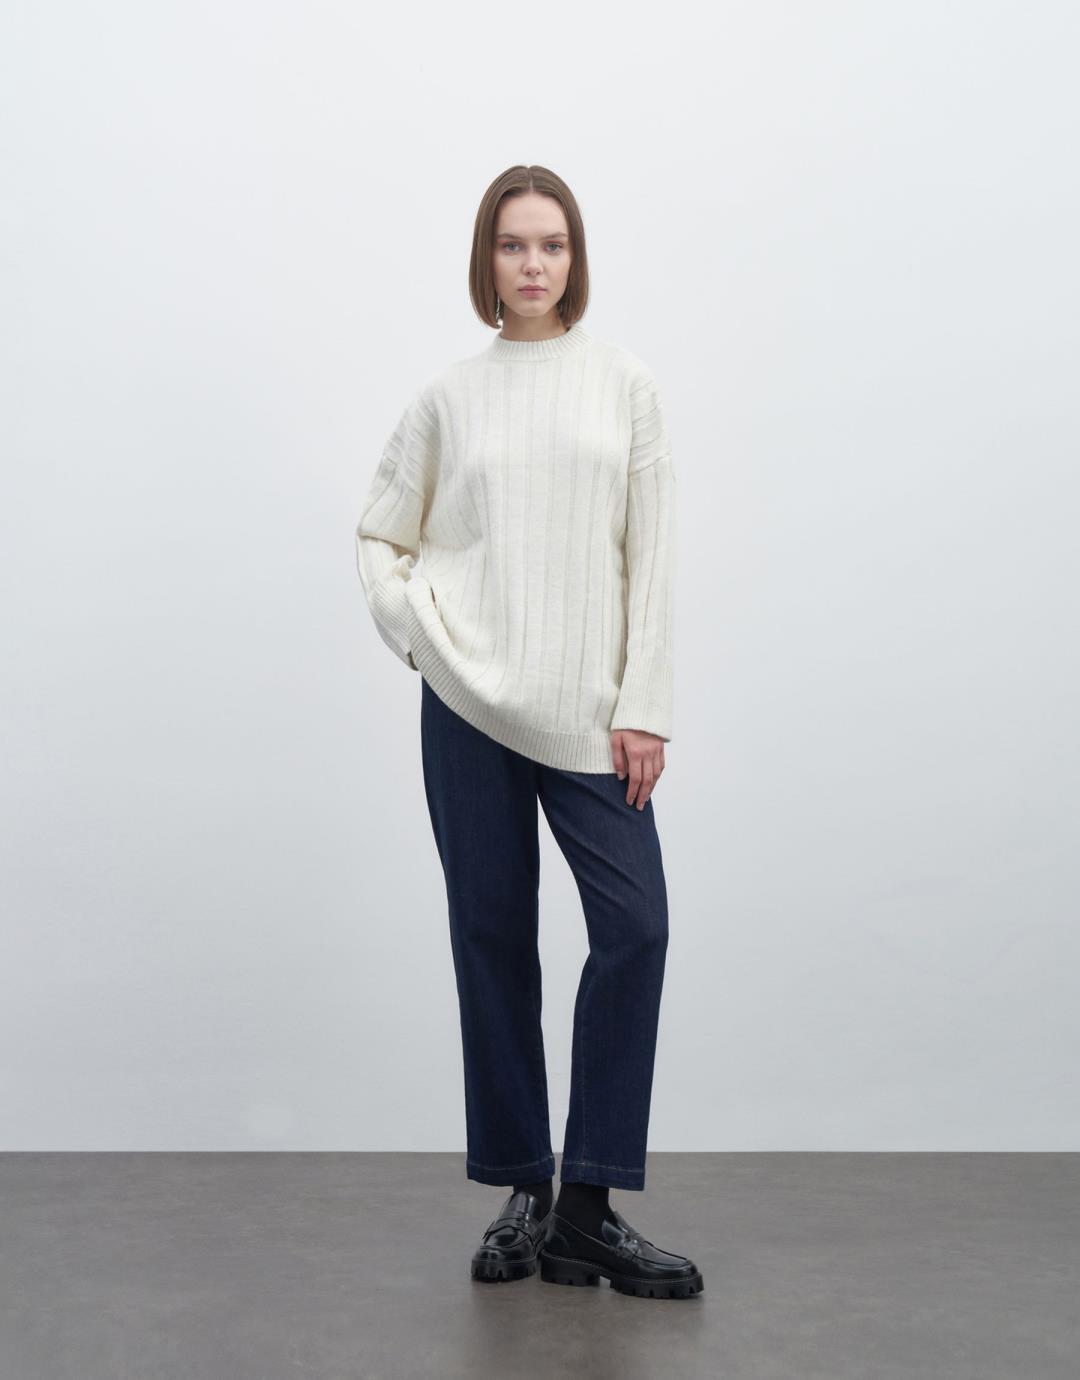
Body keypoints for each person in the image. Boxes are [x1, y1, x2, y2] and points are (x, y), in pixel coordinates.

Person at [354, 165, 703, 1300]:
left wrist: (644, 703)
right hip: (468, 705)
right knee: (493, 940)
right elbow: (380, 532)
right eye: (513, 245)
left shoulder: (624, 384)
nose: (534, 263)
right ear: (487, 262)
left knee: (636, 929)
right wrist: (420, 632)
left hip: (591, 709)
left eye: (552, 244)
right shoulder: (449, 398)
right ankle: (523, 1190)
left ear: (575, 257)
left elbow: (651, 555)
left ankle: (587, 1209)